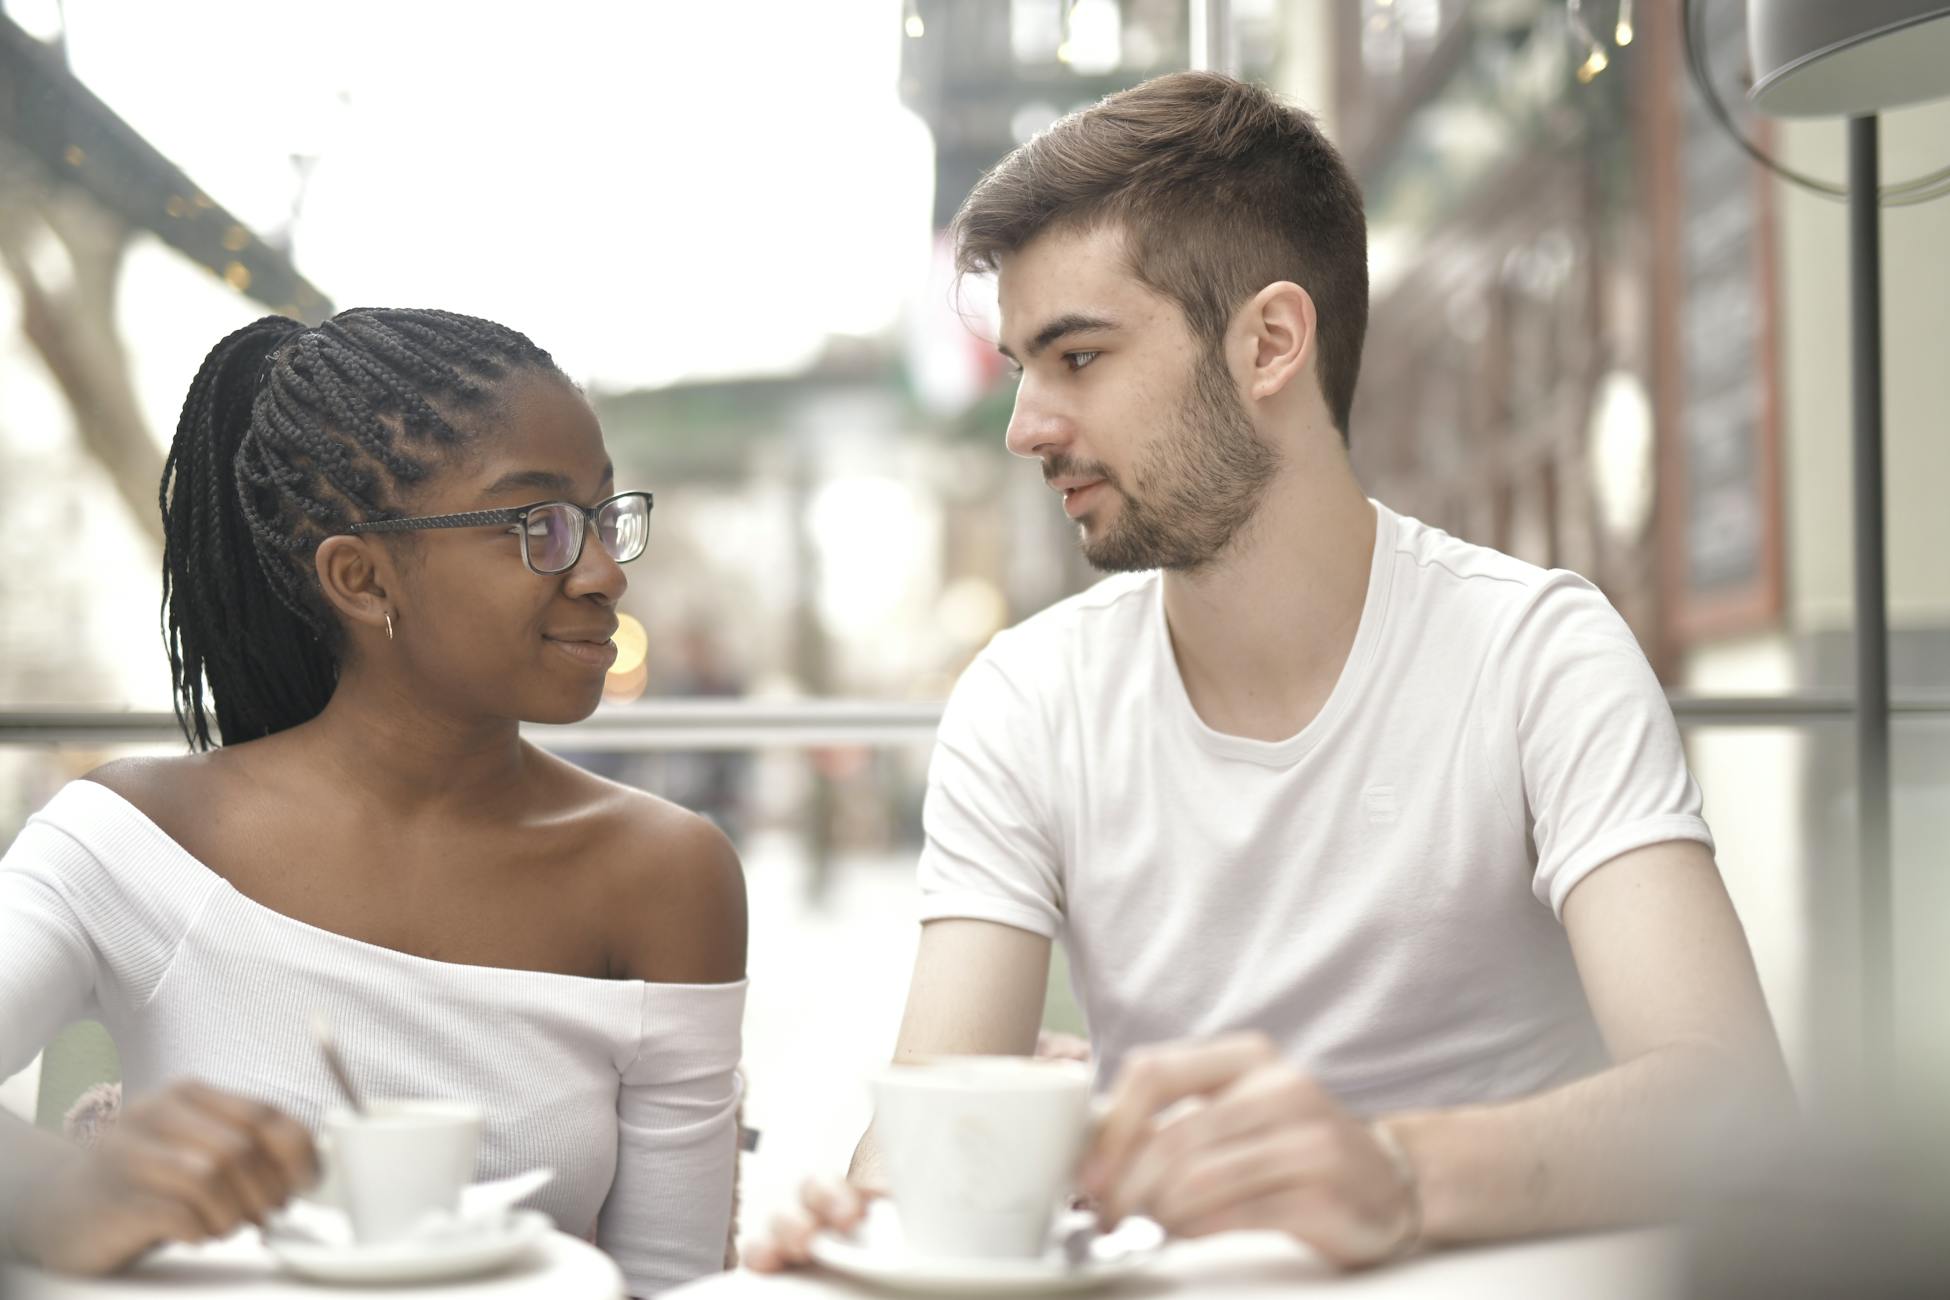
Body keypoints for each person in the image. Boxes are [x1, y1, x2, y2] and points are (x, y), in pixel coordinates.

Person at [748, 71, 1792, 1271]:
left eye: (1077, 357)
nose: (1025, 425)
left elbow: (1737, 1103)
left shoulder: (1539, 652)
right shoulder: (1027, 700)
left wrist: (1392, 1173)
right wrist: (858, 1216)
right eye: (1024, 367)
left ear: (1271, 344)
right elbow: (925, 1141)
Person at [0, 309, 748, 1298]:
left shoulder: (668, 874)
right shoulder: (134, 841)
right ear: (360, 577)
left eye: (604, 518)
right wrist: (70, 1190)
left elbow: (670, 1284)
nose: (606, 572)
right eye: (539, 527)